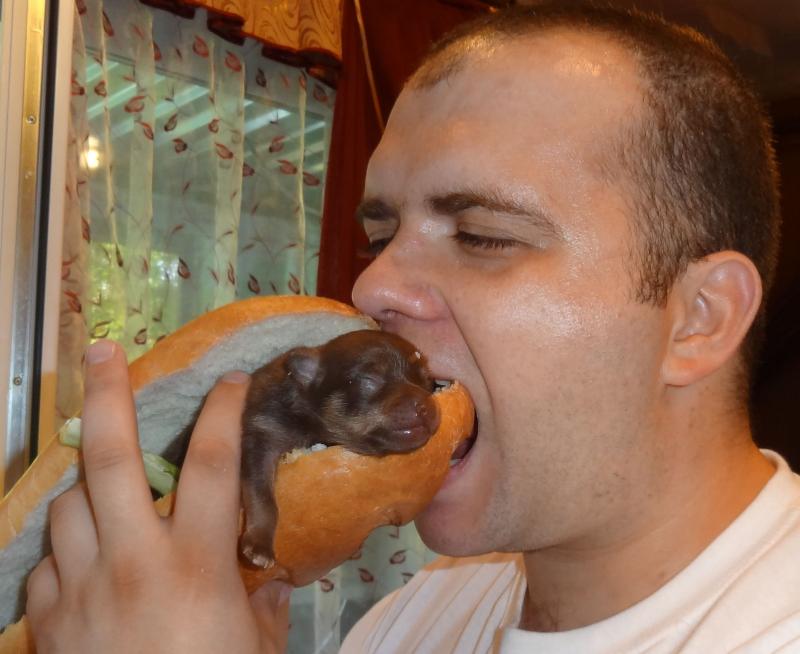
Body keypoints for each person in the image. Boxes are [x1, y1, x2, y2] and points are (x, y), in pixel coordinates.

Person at [26, 4, 799, 653]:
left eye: (483, 236)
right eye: (380, 237)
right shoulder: (411, 619)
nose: (372, 287)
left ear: (698, 319)